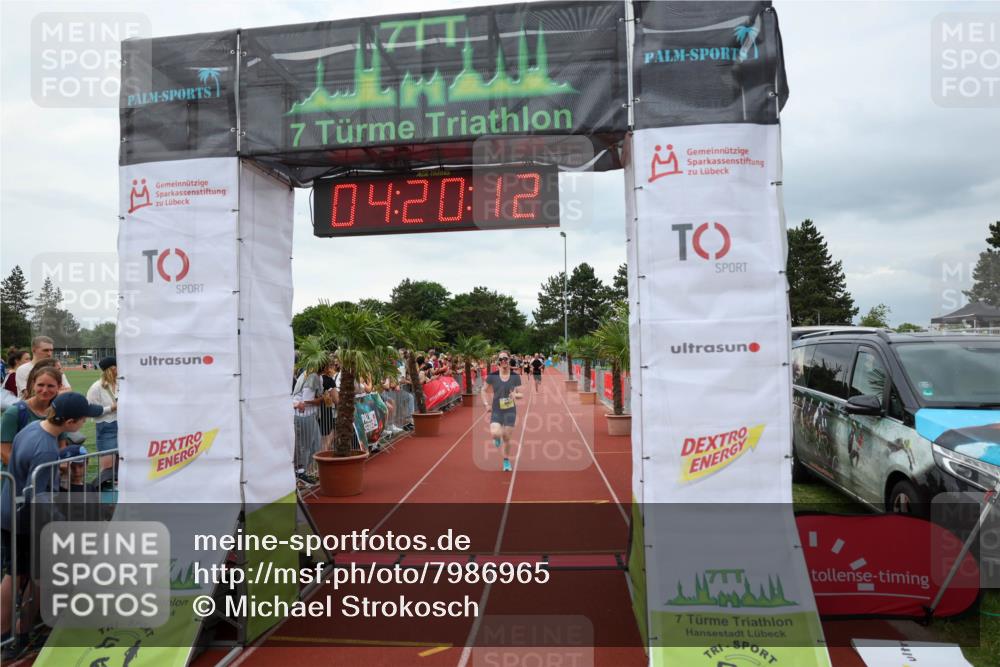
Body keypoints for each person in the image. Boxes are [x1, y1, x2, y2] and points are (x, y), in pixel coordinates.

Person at [1, 392, 102, 655]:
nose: (84, 423)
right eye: (83, 419)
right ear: (69, 422)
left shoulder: (33, 428)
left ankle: (9, 633)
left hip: (10, 509)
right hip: (26, 519)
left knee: (15, 573)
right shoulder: (46, 449)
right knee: (35, 576)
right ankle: (19, 634)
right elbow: (38, 497)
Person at [1, 361, 64, 468]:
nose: (45, 390)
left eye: (50, 386)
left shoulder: (59, 412)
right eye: (40, 385)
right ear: (33, 384)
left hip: (47, 475)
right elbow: (4, 452)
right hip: (18, 476)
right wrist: (31, 473)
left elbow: (61, 446)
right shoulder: (14, 412)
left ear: (59, 386)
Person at [482, 351, 523, 472]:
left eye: (505, 358)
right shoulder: (492, 376)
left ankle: (506, 461)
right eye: (501, 359)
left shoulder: (515, 377)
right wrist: (486, 404)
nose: (504, 361)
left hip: (510, 411)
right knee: (495, 433)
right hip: (497, 410)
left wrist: (515, 395)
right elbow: (483, 390)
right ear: (498, 362)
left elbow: (521, 394)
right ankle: (497, 438)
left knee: (507, 437)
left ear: (509, 360)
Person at [292, 363, 324, 481]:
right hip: (303, 415)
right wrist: (321, 399)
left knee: (316, 444)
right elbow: (307, 400)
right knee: (305, 446)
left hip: (308, 414)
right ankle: (301, 473)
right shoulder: (312, 376)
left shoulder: (313, 375)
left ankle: (304, 472)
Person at [86, 356, 118, 472]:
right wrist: (111, 408)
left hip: (124, 426)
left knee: (122, 465)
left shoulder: (122, 384)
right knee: (107, 468)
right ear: (112, 369)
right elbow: (89, 410)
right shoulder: (96, 387)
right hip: (106, 426)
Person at [318, 360, 338, 451]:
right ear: (328, 368)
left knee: (321, 439)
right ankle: (324, 455)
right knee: (326, 439)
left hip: (317, 412)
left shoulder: (316, 378)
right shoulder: (329, 381)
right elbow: (336, 400)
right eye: (332, 366)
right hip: (326, 413)